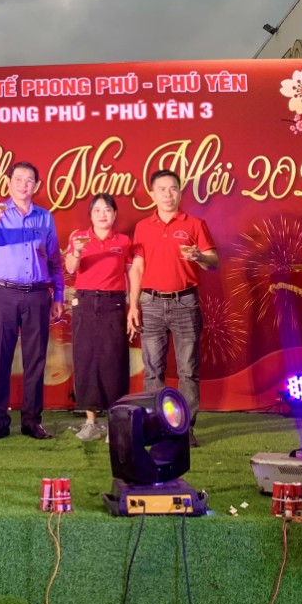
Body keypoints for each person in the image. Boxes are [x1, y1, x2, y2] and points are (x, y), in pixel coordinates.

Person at [126, 169, 218, 445]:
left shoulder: (195, 224)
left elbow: (213, 262)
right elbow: (137, 268)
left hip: (185, 302)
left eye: (173, 188)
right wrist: (133, 305)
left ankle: (185, 429)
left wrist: (199, 256)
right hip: (151, 303)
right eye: (162, 189)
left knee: (188, 371)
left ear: (180, 192)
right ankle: (157, 426)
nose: (168, 194)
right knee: (153, 370)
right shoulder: (143, 227)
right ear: (152, 194)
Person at [0, 161, 65, 440]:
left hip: (38, 295)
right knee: (0, 359)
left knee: (35, 360)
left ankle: (32, 421)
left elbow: (54, 260)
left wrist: (58, 295)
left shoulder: (45, 218)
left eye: (29, 180)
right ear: (8, 182)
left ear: (36, 185)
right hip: (3, 294)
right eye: (18, 179)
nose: (23, 184)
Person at [64, 193, 132, 441]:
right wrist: (77, 251)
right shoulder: (79, 238)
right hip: (85, 302)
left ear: (114, 214)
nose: (103, 215)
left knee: (114, 360)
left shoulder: (123, 241)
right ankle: (90, 422)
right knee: (86, 359)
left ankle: (115, 423)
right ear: (90, 215)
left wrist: (133, 306)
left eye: (107, 210)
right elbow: (70, 268)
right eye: (97, 210)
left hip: (114, 302)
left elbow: (131, 273)